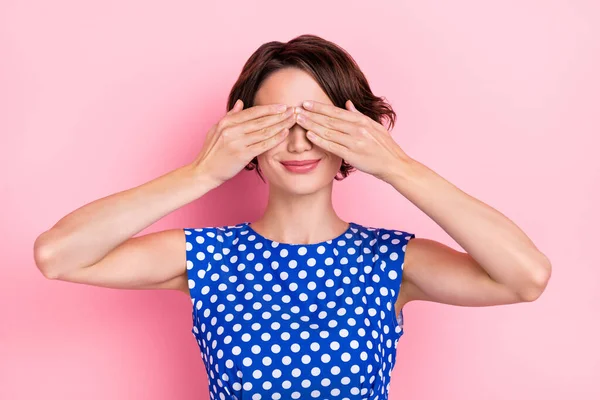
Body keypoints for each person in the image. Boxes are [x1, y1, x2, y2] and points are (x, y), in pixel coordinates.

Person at [33, 34, 552, 400]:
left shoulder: (393, 262)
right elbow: (59, 256)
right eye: (277, 122)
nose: (298, 141)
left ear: (353, 132)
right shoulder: (206, 258)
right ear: (244, 133)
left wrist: (398, 167)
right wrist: (202, 173)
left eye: (317, 121)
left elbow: (526, 277)